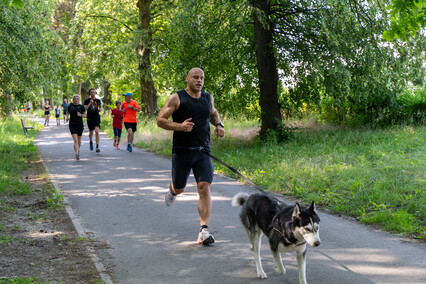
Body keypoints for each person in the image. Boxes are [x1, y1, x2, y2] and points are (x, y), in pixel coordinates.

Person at [157, 67, 225, 245]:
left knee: (204, 187)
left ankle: (204, 231)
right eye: (195, 77)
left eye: (202, 78)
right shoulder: (177, 97)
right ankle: (173, 190)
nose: (199, 80)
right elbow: (160, 120)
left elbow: (213, 113)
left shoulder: (207, 98)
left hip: (203, 151)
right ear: (187, 78)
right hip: (182, 151)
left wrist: (219, 125)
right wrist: (180, 126)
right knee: (180, 188)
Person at [66, 95, 86, 160]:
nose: (76, 100)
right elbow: (67, 112)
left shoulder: (81, 107)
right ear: (73, 100)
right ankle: (77, 154)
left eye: (77, 99)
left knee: (79, 139)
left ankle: (77, 151)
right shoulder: (70, 106)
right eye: (75, 99)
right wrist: (67, 117)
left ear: (79, 100)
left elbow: (85, 115)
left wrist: (81, 115)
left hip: (80, 125)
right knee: (75, 140)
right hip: (72, 124)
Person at [84, 88, 102, 153]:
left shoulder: (98, 100)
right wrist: (89, 103)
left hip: (96, 117)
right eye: (92, 92)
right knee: (91, 132)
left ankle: (97, 146)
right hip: (89, 118)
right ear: (90, 93)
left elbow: (100, 107)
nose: (93, 93)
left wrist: (100, 109)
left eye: (94, 92)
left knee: (97, 132)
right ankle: (91, 141)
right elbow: (85, 108)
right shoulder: (87, 100)